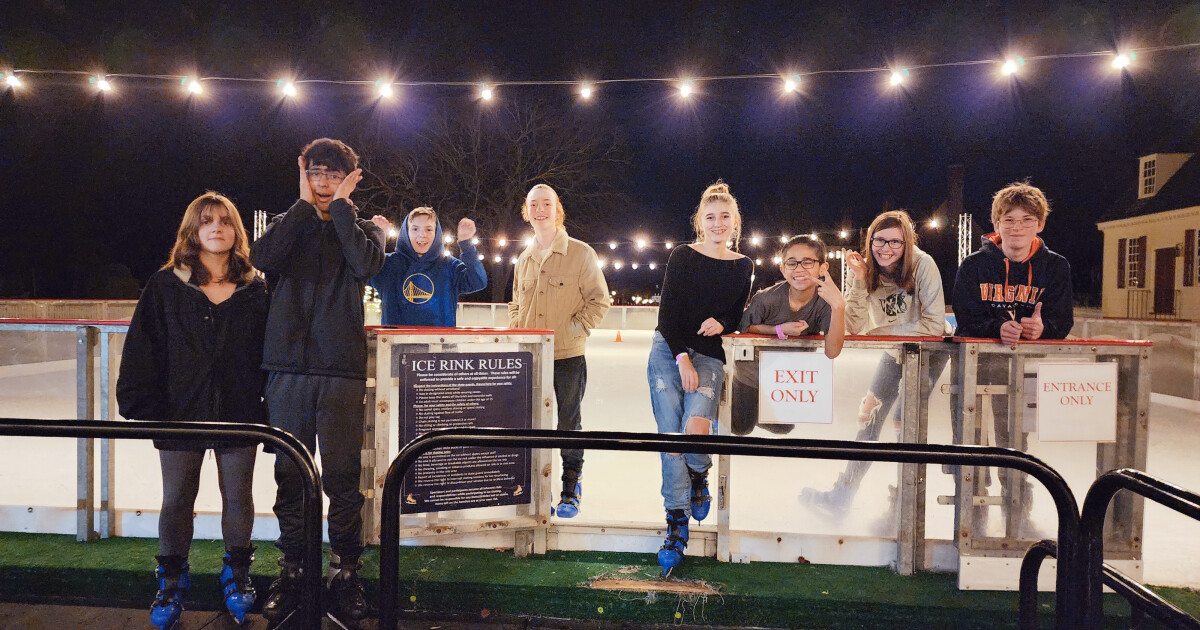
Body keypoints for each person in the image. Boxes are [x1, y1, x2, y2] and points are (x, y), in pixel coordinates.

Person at [250, 138, 385, 629]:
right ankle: (294, 569)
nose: (325, 183)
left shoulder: (364, 228)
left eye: (335, 175)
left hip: (341, 371)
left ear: (350, 179)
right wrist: (304, 209)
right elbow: (264, 258)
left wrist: (344, 209)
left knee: (343, 478)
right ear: (304, 174)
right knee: (290, 475)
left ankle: (345, 571)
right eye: (318, 173)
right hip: (286, 370)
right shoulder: (291, 224)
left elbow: (367, 266)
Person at [116, 192, 268, 628]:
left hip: (239, 411)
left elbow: (269, 350)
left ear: (237, 229)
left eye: (224, 220)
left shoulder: (256, 287)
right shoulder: (167, 284)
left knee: (237, 495)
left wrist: (269, 401)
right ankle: (170, 581)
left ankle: (238, 575)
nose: (216, 227)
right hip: (180, 409)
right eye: (207, 221)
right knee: (177, 497)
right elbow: (145, 346)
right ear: (193, 230)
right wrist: (145, 403)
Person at [801, 210, 951, 519]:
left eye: (895, 241)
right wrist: (858, 281)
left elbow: (935, 325)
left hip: (928, 351)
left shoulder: (923, 265)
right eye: (879, 240)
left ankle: (902, 505)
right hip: (895, 350)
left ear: (907, 243)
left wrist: (880, 333)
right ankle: (842, 496)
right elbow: (854, 325)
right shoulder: (868, 270)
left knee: (903, 422)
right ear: (870, 241)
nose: (886, 248)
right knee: (867, 416)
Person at [952, 182, 1072, 537]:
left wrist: (1041, 329)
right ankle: (972, 517)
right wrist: (997, 328)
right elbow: (965, 317)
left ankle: (1018, 514)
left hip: (1025, 372)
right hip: (975, 369)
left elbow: (1061, 322)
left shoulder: (1055, 267)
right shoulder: (973, 266)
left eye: (1026, 220)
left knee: (1015, 443)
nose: (1016, 227)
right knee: (970, 441)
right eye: (1009, 220)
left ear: (1040, 225)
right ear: (997, 224)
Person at [648, 181, 753, 575]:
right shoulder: (682, 256)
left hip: (709, 354)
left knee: (695, 429)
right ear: (699, 222)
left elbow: (735, 312)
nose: (718, 223)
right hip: (668, 349)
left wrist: (722, 321)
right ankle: (676, 522)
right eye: (710, 217)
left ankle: (699, 472)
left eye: (725, 216)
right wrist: (681, 359)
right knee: (670, 435)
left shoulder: (743, 265)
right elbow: (667, 316)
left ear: (735, 221)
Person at [509, 184, 611, 518]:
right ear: (527, 211)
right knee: (530, 424)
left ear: (558, 209)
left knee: (568, 422)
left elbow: (600, 300)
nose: (540, 210)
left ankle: (571, 485)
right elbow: (515, 305)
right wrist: (516, 333)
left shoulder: (581, 253)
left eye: (547, 204)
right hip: (530, 357)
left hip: (567, 356)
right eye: (533, 204)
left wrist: (574, 330)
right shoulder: (523, 258)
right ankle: (533, 489)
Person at [731, 235, 846, 436]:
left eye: (807, 262)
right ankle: (721, 398)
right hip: (752, 374)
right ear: (783, 269)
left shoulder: (825, 303)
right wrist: (778, 330)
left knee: (784, 427)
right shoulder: (766, 298)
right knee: (741, 428)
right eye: (792, 263)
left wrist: (839, 306)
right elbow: (743, 327)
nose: (799, 269)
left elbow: (832, 351)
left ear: (822, 268)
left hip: (788, 378)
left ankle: (757, 411)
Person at [369, 207, 487, 326]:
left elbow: (477, 281)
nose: (422, 235)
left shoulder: (449, 266)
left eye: (429, 229)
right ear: (406, 232)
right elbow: (362, 271)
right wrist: (376, 237)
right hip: (396, 343)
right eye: (415, 229)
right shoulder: (389, 264)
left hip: (440, 342)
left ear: (436, 233)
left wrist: (466, 244)